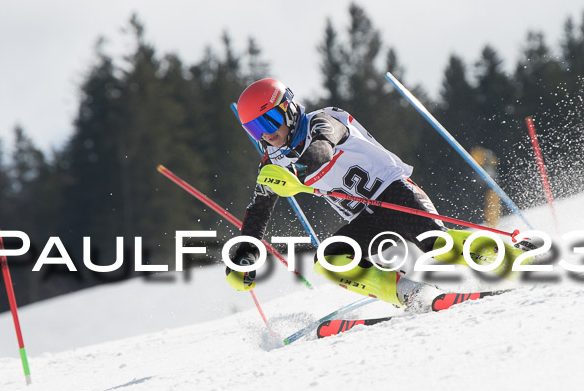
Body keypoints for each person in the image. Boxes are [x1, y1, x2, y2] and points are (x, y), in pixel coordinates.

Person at [226, 78, 530, 309]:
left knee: (438, 245)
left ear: (289, 110)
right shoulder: (273, 160)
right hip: (367, 218)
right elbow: (260, 208)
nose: (265, 134)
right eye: (254, 129)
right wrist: (245, 251)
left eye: (269, 121)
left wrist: (296, 176)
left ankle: (516, 257)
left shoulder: (323, 120)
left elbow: (321, 150)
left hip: (395, 193)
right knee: (329, 260)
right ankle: (409, 293)